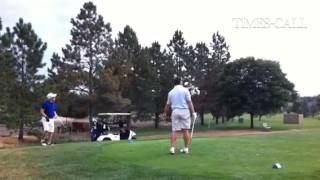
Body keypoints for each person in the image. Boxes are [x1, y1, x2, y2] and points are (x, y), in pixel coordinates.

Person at [164, 77, 197, 154]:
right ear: (180, 82)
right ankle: (185, 148)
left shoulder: (170, 92)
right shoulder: (185, 90)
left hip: (175, 111)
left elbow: (167, 105)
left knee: (174, 130)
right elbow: (189, 102)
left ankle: (172, 148)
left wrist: (164, 113)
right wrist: (193, 112)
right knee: (185, 130)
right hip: (184, 111)